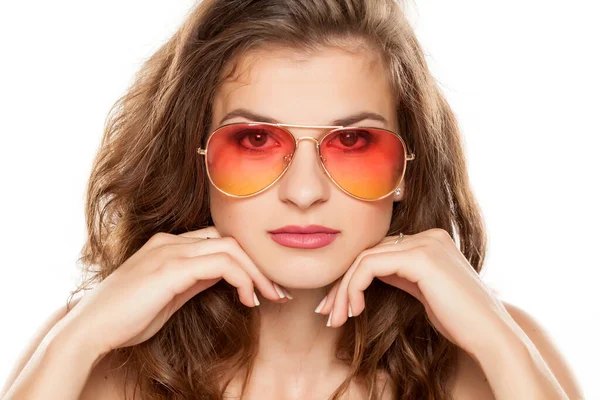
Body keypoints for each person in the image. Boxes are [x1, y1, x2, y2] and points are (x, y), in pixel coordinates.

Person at [0, 0, 584, 399]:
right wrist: (78, 340)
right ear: (194, 161)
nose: (304, 193)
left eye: (354, 141)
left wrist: (496, 342)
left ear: (409, 167)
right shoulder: (94, 354)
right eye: (254, 139)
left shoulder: (498, 355)